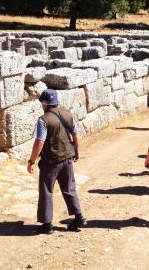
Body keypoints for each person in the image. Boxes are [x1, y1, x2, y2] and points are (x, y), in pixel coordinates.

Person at [28, 89, 86, 234]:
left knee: (46, 190)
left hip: (51, 161)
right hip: (67, 158)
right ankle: (79, 217)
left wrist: (31, 161)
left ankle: (47, 225)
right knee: (69, 187)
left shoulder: (43, 120)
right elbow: (75, 135)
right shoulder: (68, 115)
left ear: (44, 103)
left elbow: (39, 142)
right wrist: (76, 152)